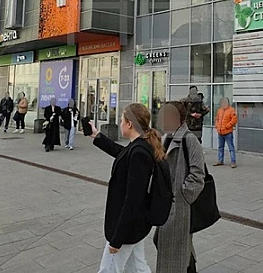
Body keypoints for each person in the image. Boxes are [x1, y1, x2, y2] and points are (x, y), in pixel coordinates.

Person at [86, 103, 165, 273]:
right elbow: (122, 153)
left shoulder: (139, 152)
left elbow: (133, 200)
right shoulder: (140, 145)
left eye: (122, 120)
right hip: (135, 225)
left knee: (108, 269)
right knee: (138, 268)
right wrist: (97, 136)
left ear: (129, 124)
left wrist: (117, 238)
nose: (120, 123)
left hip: (127, 227)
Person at [155, 101, 205, 273]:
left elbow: (198, 176)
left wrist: (183, 196)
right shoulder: (167, 138)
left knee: (175, 249)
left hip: (179, 206)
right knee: (175, 247)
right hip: (166, 204)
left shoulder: (189, 140)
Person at [213, 97, 238, 168]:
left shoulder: (231, 110)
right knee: (220, 147)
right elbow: (217, 119)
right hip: (220, 132)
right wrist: (217, 126)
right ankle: (220, 160)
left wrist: (227, 126)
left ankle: (233, 162)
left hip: (228, 132)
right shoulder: (219, 110)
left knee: (231, 147)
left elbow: (234, 120)